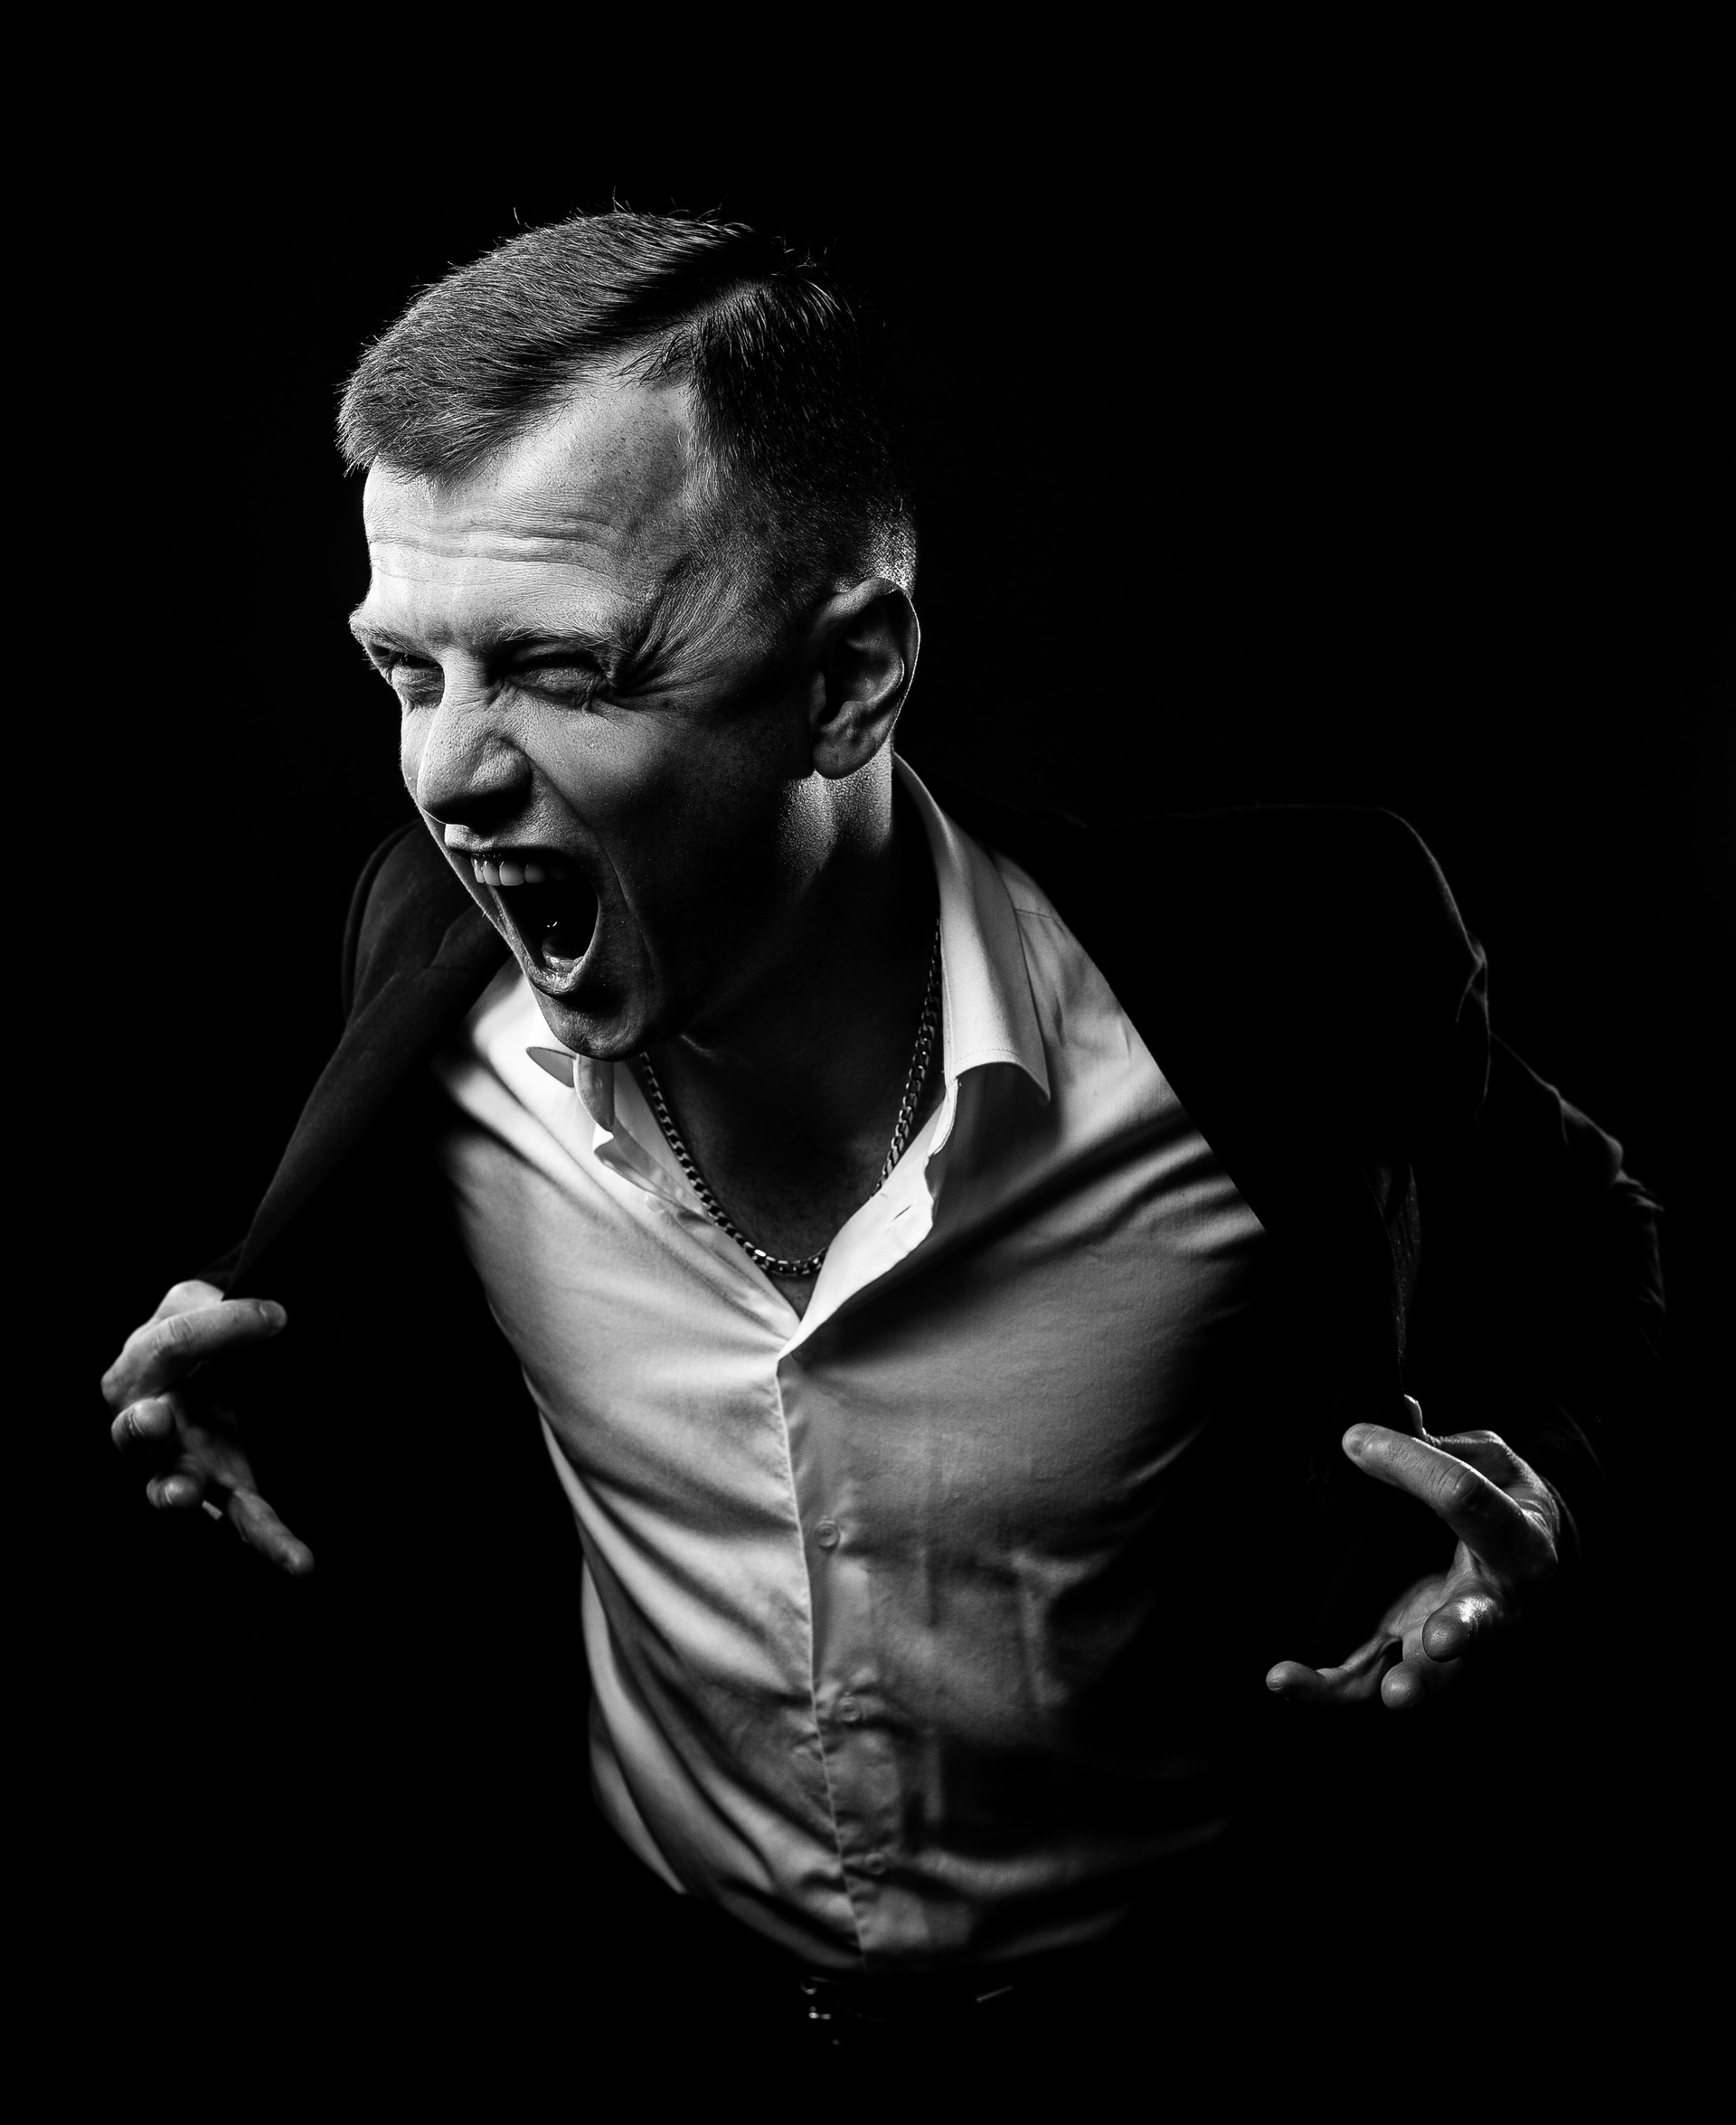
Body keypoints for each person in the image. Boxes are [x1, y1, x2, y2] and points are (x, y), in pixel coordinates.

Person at [100, 212, 1663, 2068]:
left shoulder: (1292, 976)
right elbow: (370, 1330)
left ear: (847, 680)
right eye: (407, 672)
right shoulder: (423, 949)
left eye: (564, 673)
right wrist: (264, 1373)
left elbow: (1592, 1253)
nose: (447, 774)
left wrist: (1548, 1495)